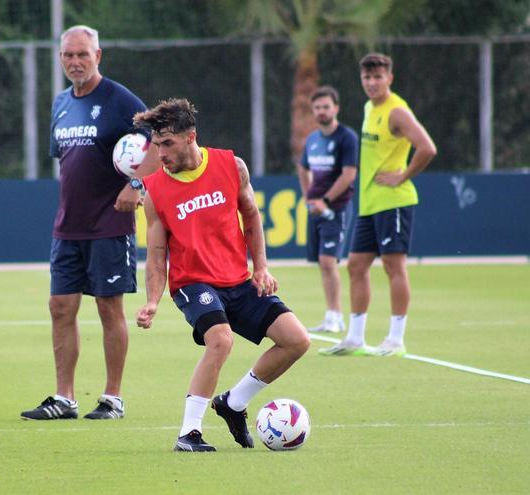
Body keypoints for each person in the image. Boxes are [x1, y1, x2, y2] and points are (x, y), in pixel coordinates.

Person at [134, 98, 310, 452]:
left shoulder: (232, 166)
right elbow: (156, 254)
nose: (160, 153)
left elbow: (252, 216)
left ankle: (233, 403)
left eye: (167, 143)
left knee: (297, 340)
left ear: (190, 137)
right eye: (156, 145)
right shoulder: (155, 190)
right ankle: (189, 432)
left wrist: (260, 267)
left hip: (238, 280)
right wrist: (152, 300)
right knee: (221, 339)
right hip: (192, 283)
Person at [20, 25, 159, 421]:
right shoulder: (60, 103)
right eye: (68, 55)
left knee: (107, 307)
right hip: (68, 226)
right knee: (60, 306)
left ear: (99, 56)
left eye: (83, 54)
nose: (75, 61)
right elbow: (67, 162)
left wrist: (137, 183)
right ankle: (64, 398)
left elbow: (160, 138)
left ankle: (112, 398)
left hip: (110, 225)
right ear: (61, 58)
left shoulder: (118, 99)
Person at [320, 53, 436, 357]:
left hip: (394, 201)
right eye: (367, 78)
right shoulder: (369, 106)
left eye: (378, 77)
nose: (371, 83)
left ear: (390, 78)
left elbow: (427, 147)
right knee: (356, 266)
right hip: (369, 203)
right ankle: (356, 338)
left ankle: (396, 339)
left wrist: (403, 176)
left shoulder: (397, 111)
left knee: (393, 266)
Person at [297, 86, 358, 333]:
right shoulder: (312, 140)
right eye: (317, 107)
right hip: (317, 210)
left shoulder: (346, 137)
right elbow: (303, 168)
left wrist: (327, 201)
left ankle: (335, 315)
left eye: (326, 106)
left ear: (336, 108)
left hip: (337, 208)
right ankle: (332, 315)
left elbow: (349, 174)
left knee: (327, 260)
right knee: (322, 263)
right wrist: (308, 195)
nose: (322, 111)